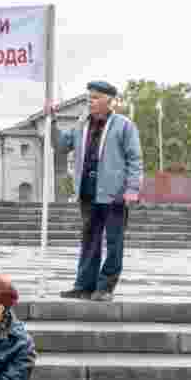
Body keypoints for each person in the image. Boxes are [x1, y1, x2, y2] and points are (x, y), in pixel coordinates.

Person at [47, 81, 144, 301]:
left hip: (115, 195)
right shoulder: (82, 124)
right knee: (90, 241)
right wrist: (51, 122)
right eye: (89, 97)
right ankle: (84, 286)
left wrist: (132, 189)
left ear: (109, 101)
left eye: (95, 97)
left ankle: (105, 287)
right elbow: (62, 145)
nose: (90, 101)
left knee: (113, 241)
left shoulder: (124, 125)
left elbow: (135, 159)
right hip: (88, 193)